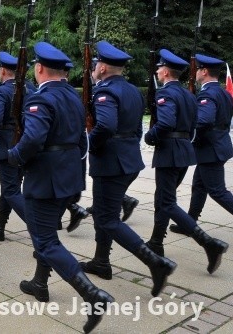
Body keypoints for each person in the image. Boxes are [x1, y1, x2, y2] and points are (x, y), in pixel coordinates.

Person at [9, 42, 113, 334]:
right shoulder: (73, 95)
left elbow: (33, 139)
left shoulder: (41, 99)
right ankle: (40, 282)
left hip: (45, 179)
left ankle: (92, 295)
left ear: (39, 69)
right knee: (47, 233)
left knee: (45, 241)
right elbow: (82, 140)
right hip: (67, 177)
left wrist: (14, 157)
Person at [80, 41, 176, 297]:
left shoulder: (105, 92)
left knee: (107, 218)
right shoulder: (133, 90)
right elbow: (137, 128)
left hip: (111, 163)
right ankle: (101, 261)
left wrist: (87, 145)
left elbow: (106, 126)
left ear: (102, 67)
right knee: (104, 212)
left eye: (95, 65)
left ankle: (156, 263)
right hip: (128, 160)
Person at [144, 49, 228, 274]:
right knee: (163, 198)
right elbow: (193, 125)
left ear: (165, 71)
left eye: (159, 67)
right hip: (183, 152)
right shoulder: (189, 95)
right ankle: (155, 242)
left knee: (167, 201)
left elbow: (165, 124)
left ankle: (209, 243)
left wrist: (150, 136)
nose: (157, 70)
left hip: (169, 152)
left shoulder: (167, 94)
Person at [170, 53, 233, 233]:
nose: (195, 73)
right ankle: (190, 224)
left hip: (211, 149)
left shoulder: (208, 94)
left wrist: (188, 134)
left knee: (218, 191)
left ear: (204, 71)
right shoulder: (223, 92)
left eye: (198, 70)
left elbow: (204, 121)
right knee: (199, 186)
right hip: (216, 147)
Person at [0, 52, 31, 237]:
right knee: (11, 188)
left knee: (11, 190)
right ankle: (0, 226)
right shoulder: (29, 88)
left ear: (2, 71)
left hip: (7, 144)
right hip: (24, 143)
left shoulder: (0, 91)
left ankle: (40, 231)